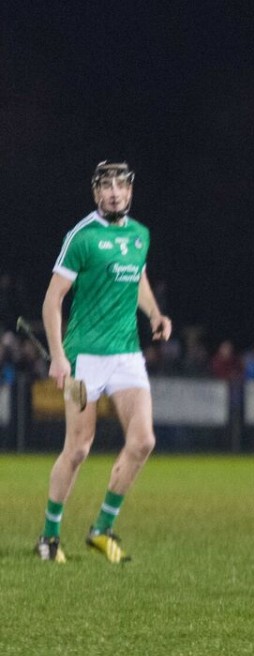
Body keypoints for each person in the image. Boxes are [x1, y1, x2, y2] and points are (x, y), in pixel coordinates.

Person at [35, 161, 172, 564]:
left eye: (121, 186)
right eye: (106, 186)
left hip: (126, 355)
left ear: (130, 192)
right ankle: (49, 536)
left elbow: (137, 278)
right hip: (84, 359)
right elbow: (52, 300)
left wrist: (155, 314)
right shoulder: (82, 236)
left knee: (143, 441)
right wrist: (58, 356)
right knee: (78, 449)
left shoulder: (140, 235)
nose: (114, 193)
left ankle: (101, 529)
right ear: (96, 193)